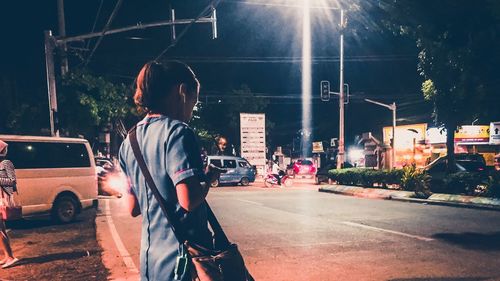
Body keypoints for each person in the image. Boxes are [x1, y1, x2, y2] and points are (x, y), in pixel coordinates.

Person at [119, 61, 220, 281]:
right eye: (193, 103)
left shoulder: (129, 141)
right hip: (183, 264)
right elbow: (188, 200)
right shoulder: (178, 133)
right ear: (182, 92)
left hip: (150, 262)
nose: (191, 112)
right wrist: (209, 179)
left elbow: (133, 208)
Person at [0, 140, 19, 269]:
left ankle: (10, 257)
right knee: (1, 229)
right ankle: (8, 255)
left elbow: (12, 182)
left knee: (0, 229)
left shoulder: (6, 163)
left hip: (4, 199)